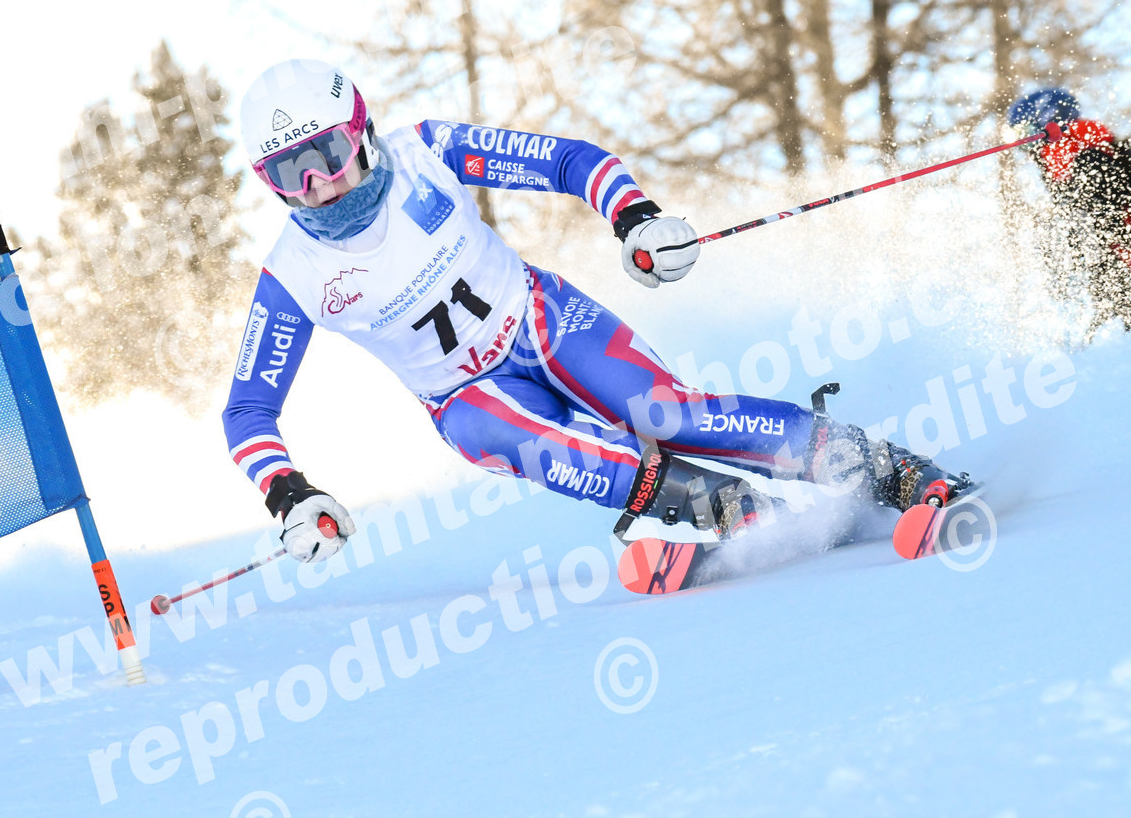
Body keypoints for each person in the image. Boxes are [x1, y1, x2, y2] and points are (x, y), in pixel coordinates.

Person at [223, 59, 968, 565]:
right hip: (465, 393)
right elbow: (248, 410)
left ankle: (886, 470)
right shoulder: (295, 273)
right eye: (290, 172)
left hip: (539, 320)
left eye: (327, 154)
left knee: (667, 415)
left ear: (360, 131)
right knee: (511, 434)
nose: (317, 184)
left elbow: (566, 160)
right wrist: (289, 493)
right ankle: (726, 507)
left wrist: (634, 217)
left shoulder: (428, 152)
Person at [1008, 88, 1131, 326]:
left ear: (1046, 124)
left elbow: (1102, 227)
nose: (1023, 147)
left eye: (1024, 134)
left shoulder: (1078, 154)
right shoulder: (1084, 150)